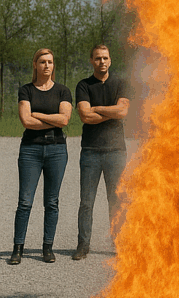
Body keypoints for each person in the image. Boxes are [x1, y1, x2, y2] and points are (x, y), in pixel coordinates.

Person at [9, 48, 72, 265]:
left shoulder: (63, 91)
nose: (47, 66)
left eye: (50, 62)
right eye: (43, 62)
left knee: (51, 202)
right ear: (35, 65)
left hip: (57, 150)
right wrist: (51, 119)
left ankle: (47, 248)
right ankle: (18, 248)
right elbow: (26, 121)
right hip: (30, 150)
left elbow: (65, 120)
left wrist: (38, 114)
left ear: (53, 66)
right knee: (25, 202)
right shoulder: (26, 90)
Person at [73, 45, 130, 261]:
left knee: (116, 201)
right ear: (91, 61)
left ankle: (120, 245)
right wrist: (111, 112)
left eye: (105, 58)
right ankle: (83, 245)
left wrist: (96, 108)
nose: (102, 62)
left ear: (110, 60)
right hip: (91, 151)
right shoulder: (84, 85)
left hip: (116, 151)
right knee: (86, 202)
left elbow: (122, 111)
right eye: (98, 58)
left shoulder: (120, 84)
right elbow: (85, 116)